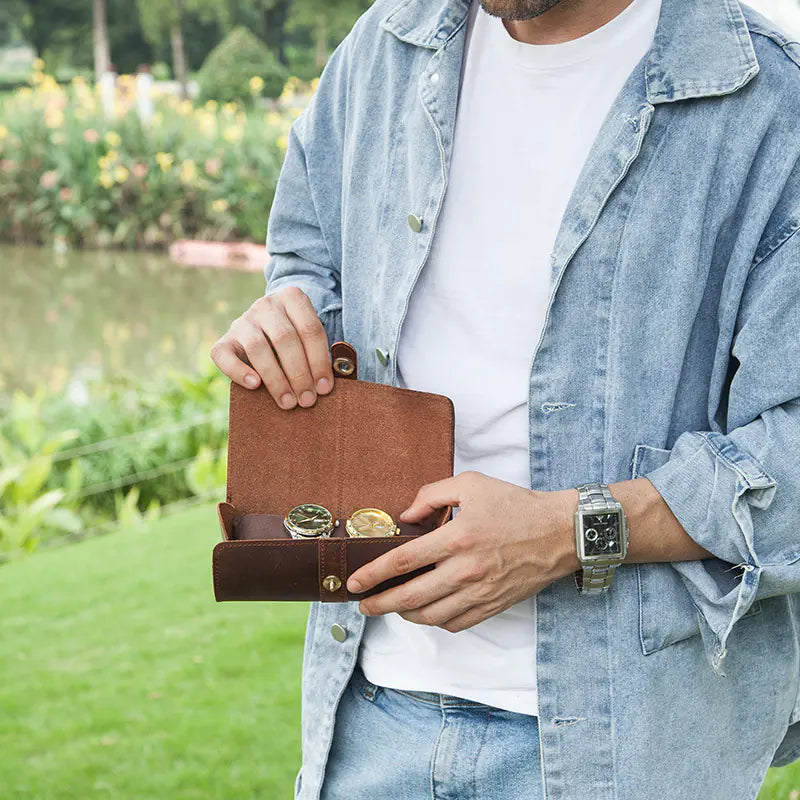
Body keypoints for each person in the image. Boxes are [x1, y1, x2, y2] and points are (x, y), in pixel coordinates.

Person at [210, 0, 800, 796]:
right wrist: (285, 327)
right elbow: (308, 261)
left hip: (630, 747)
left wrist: (569, 532)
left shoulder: (767, 104)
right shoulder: (386, 46)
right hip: (372, 717)